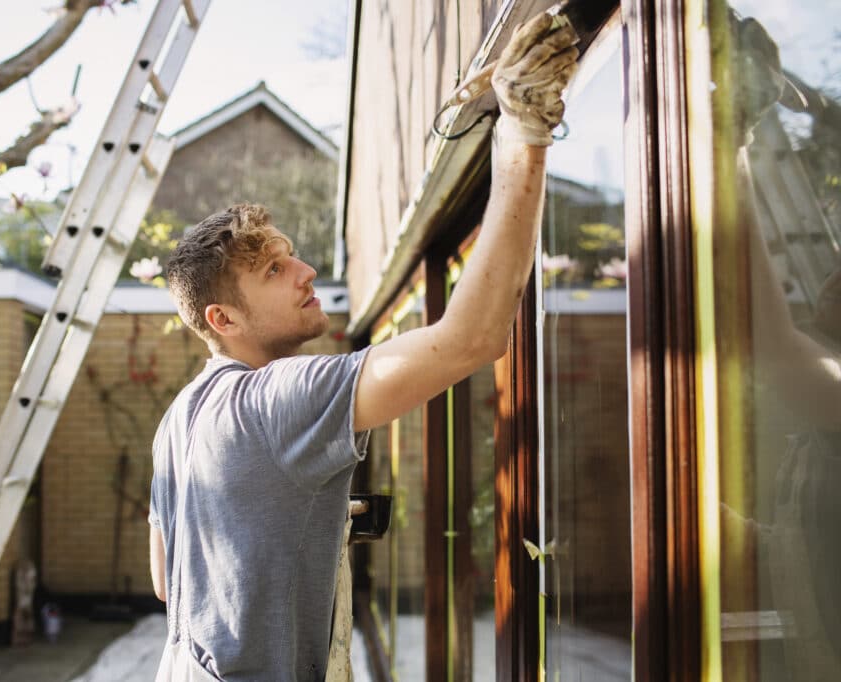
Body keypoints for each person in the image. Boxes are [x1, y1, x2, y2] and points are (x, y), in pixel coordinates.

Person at [148, 11, 580, 681]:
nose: (306, 272)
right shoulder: (277, 401)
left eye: (290, 256)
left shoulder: (180, 418)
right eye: (272, 270)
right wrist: (524, 135)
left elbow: (166, 579)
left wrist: (296, 519)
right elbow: (470, 338)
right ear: (222, 318)